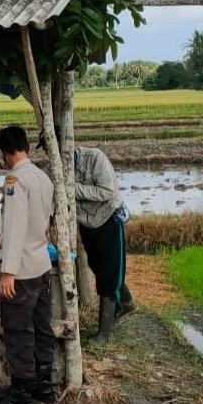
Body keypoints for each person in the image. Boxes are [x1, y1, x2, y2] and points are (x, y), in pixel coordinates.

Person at [0, 125, 56, 404]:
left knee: (18, 331)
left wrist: (8, 271)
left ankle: (20, 399)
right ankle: (44, 386)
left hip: (23, 271)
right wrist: (3, 238)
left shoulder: (14, 179)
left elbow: (17, 225)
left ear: (3, 152)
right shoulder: (42, 177)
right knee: (42, 327)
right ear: (26, 147)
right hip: (41, 264)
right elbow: (41, 223)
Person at [73, 143, 136, 345]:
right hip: (87, 224)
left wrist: (71, 188)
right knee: (97, 267)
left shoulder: (94, 158)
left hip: (108, 218)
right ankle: (126, 302)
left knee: (109, 274)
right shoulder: (54, 168)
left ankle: (103, 335)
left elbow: (106, 191)